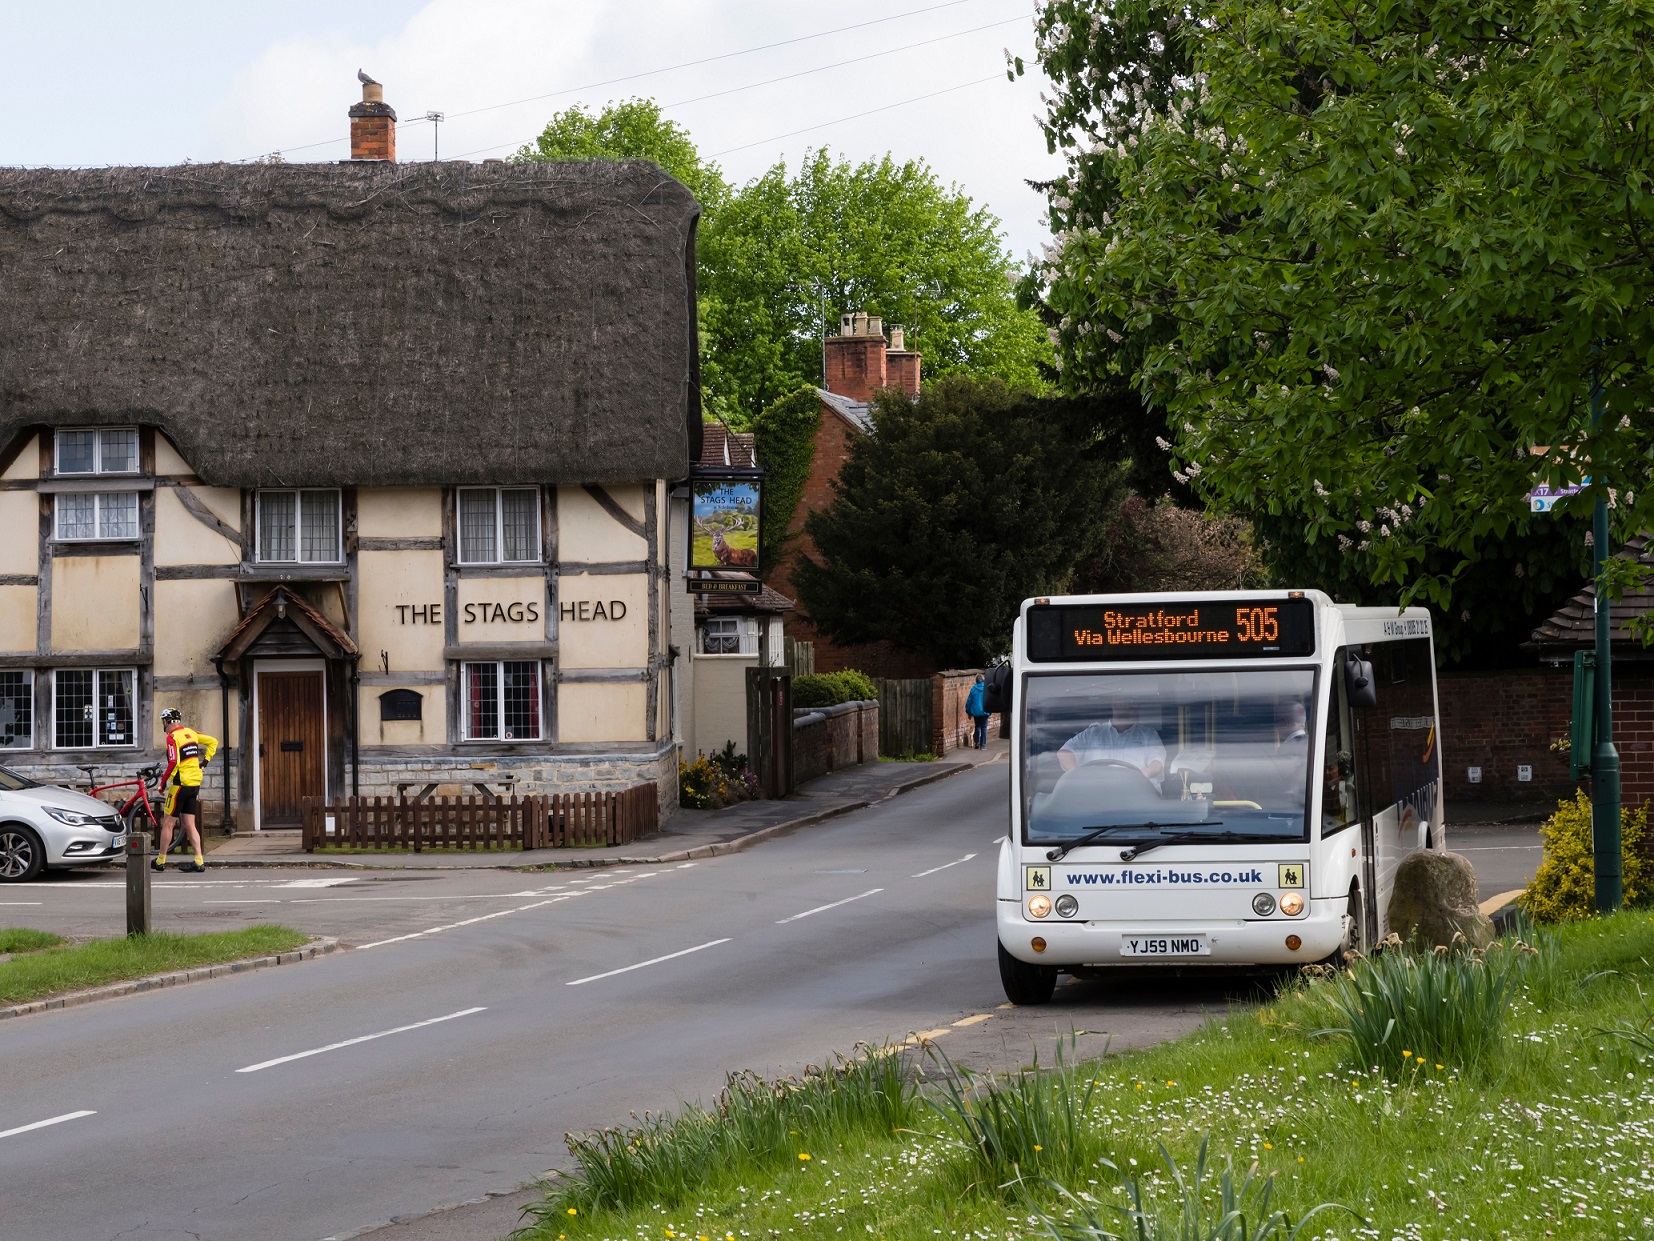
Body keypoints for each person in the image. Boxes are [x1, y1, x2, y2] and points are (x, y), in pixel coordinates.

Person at [154, 708, 219, 873]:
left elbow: (173, 762)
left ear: (166, 721)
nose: (163, 724)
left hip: (179, 785)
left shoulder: (172, 738)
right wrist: (204, 763)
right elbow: (213, 741)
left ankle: (160, 861)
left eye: (163, 721)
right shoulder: (191, 732)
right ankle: (199, 861)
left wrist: (162, 784)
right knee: (189, 824)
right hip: (194, 784)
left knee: (167, 824)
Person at [1058, 699, 1165, 784]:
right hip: (1094, 798)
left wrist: (1146, 773)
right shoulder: (1092, 733)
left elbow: (1157, 761)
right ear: (1114, 703)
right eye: (1127, 702)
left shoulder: (1149, 734)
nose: (1132, 706)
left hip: (1138, 797)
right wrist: (1075, 774)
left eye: (1134, 703)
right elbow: (1065, 752)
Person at [966, 674, 990, 749]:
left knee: (977, 726)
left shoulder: (973, 689)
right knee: (984, 728)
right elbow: (989, 700)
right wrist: (990, 710)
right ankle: (982, 745)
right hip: (985, 711)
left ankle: (976, 742)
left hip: (976, 712)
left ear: (976, 681)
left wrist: (968, 712)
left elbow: (969, 701)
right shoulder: (986, 689)